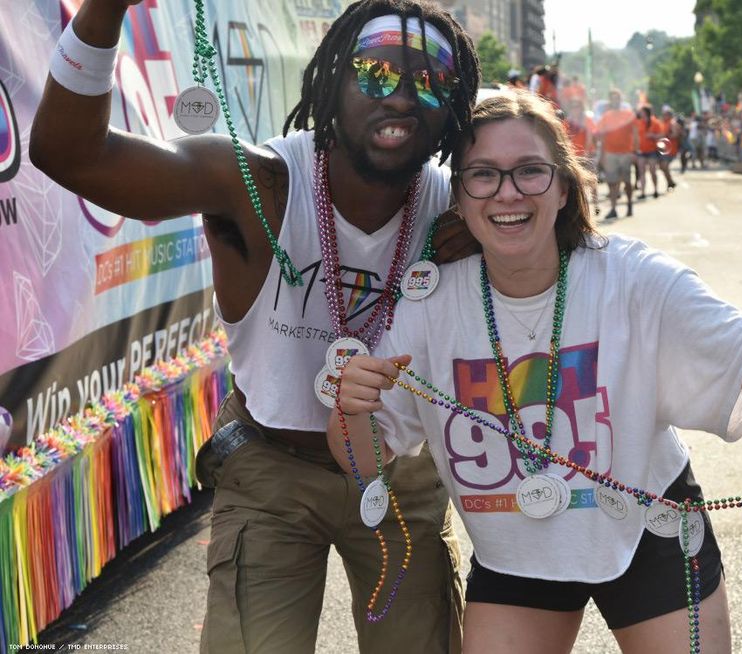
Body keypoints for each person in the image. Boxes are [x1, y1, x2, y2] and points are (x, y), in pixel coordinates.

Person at [327, 90, 742, 653]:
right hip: (516, 555)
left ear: (563, 186)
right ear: (460, 195)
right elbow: (364, 457)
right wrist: (351, 409)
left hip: (652, 533)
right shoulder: (428, 305)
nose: (508, 192)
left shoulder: (634, 278)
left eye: (530, 171)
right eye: (483, 175)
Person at [30, 0, 481, 652]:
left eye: (432, 81)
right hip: (272, 470)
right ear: (334, 79)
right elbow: (72, 155)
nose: (403, 98)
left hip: (400, 471)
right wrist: (104, 10)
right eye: (376, 72)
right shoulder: (257, 183)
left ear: (455, 105)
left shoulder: (463, 209)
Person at [595, 89, 638, 220]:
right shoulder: (606, 116)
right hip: (610, 153)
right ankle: (613, 208)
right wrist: (602, 155)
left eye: (617, 98)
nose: (615, 101)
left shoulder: (628, 114)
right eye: (613, 98)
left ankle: (629, 204)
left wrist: (635, 152)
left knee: (627, 181)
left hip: (625, 153)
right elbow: (601, 136)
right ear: (610, 101)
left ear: (620, 100)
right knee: (612, 182)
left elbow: (635, 135)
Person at [634, 106, 661, 199]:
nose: (640, 113)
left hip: (652, 151)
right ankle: (643, 192)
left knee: (653, 171)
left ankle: (655, 190)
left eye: (641, 112)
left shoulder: (655, 122)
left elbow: (661, 135)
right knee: (642, 172)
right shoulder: (638, 122)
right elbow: (635, 136)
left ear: (646, 112)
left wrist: (653, 135)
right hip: (641, 151)